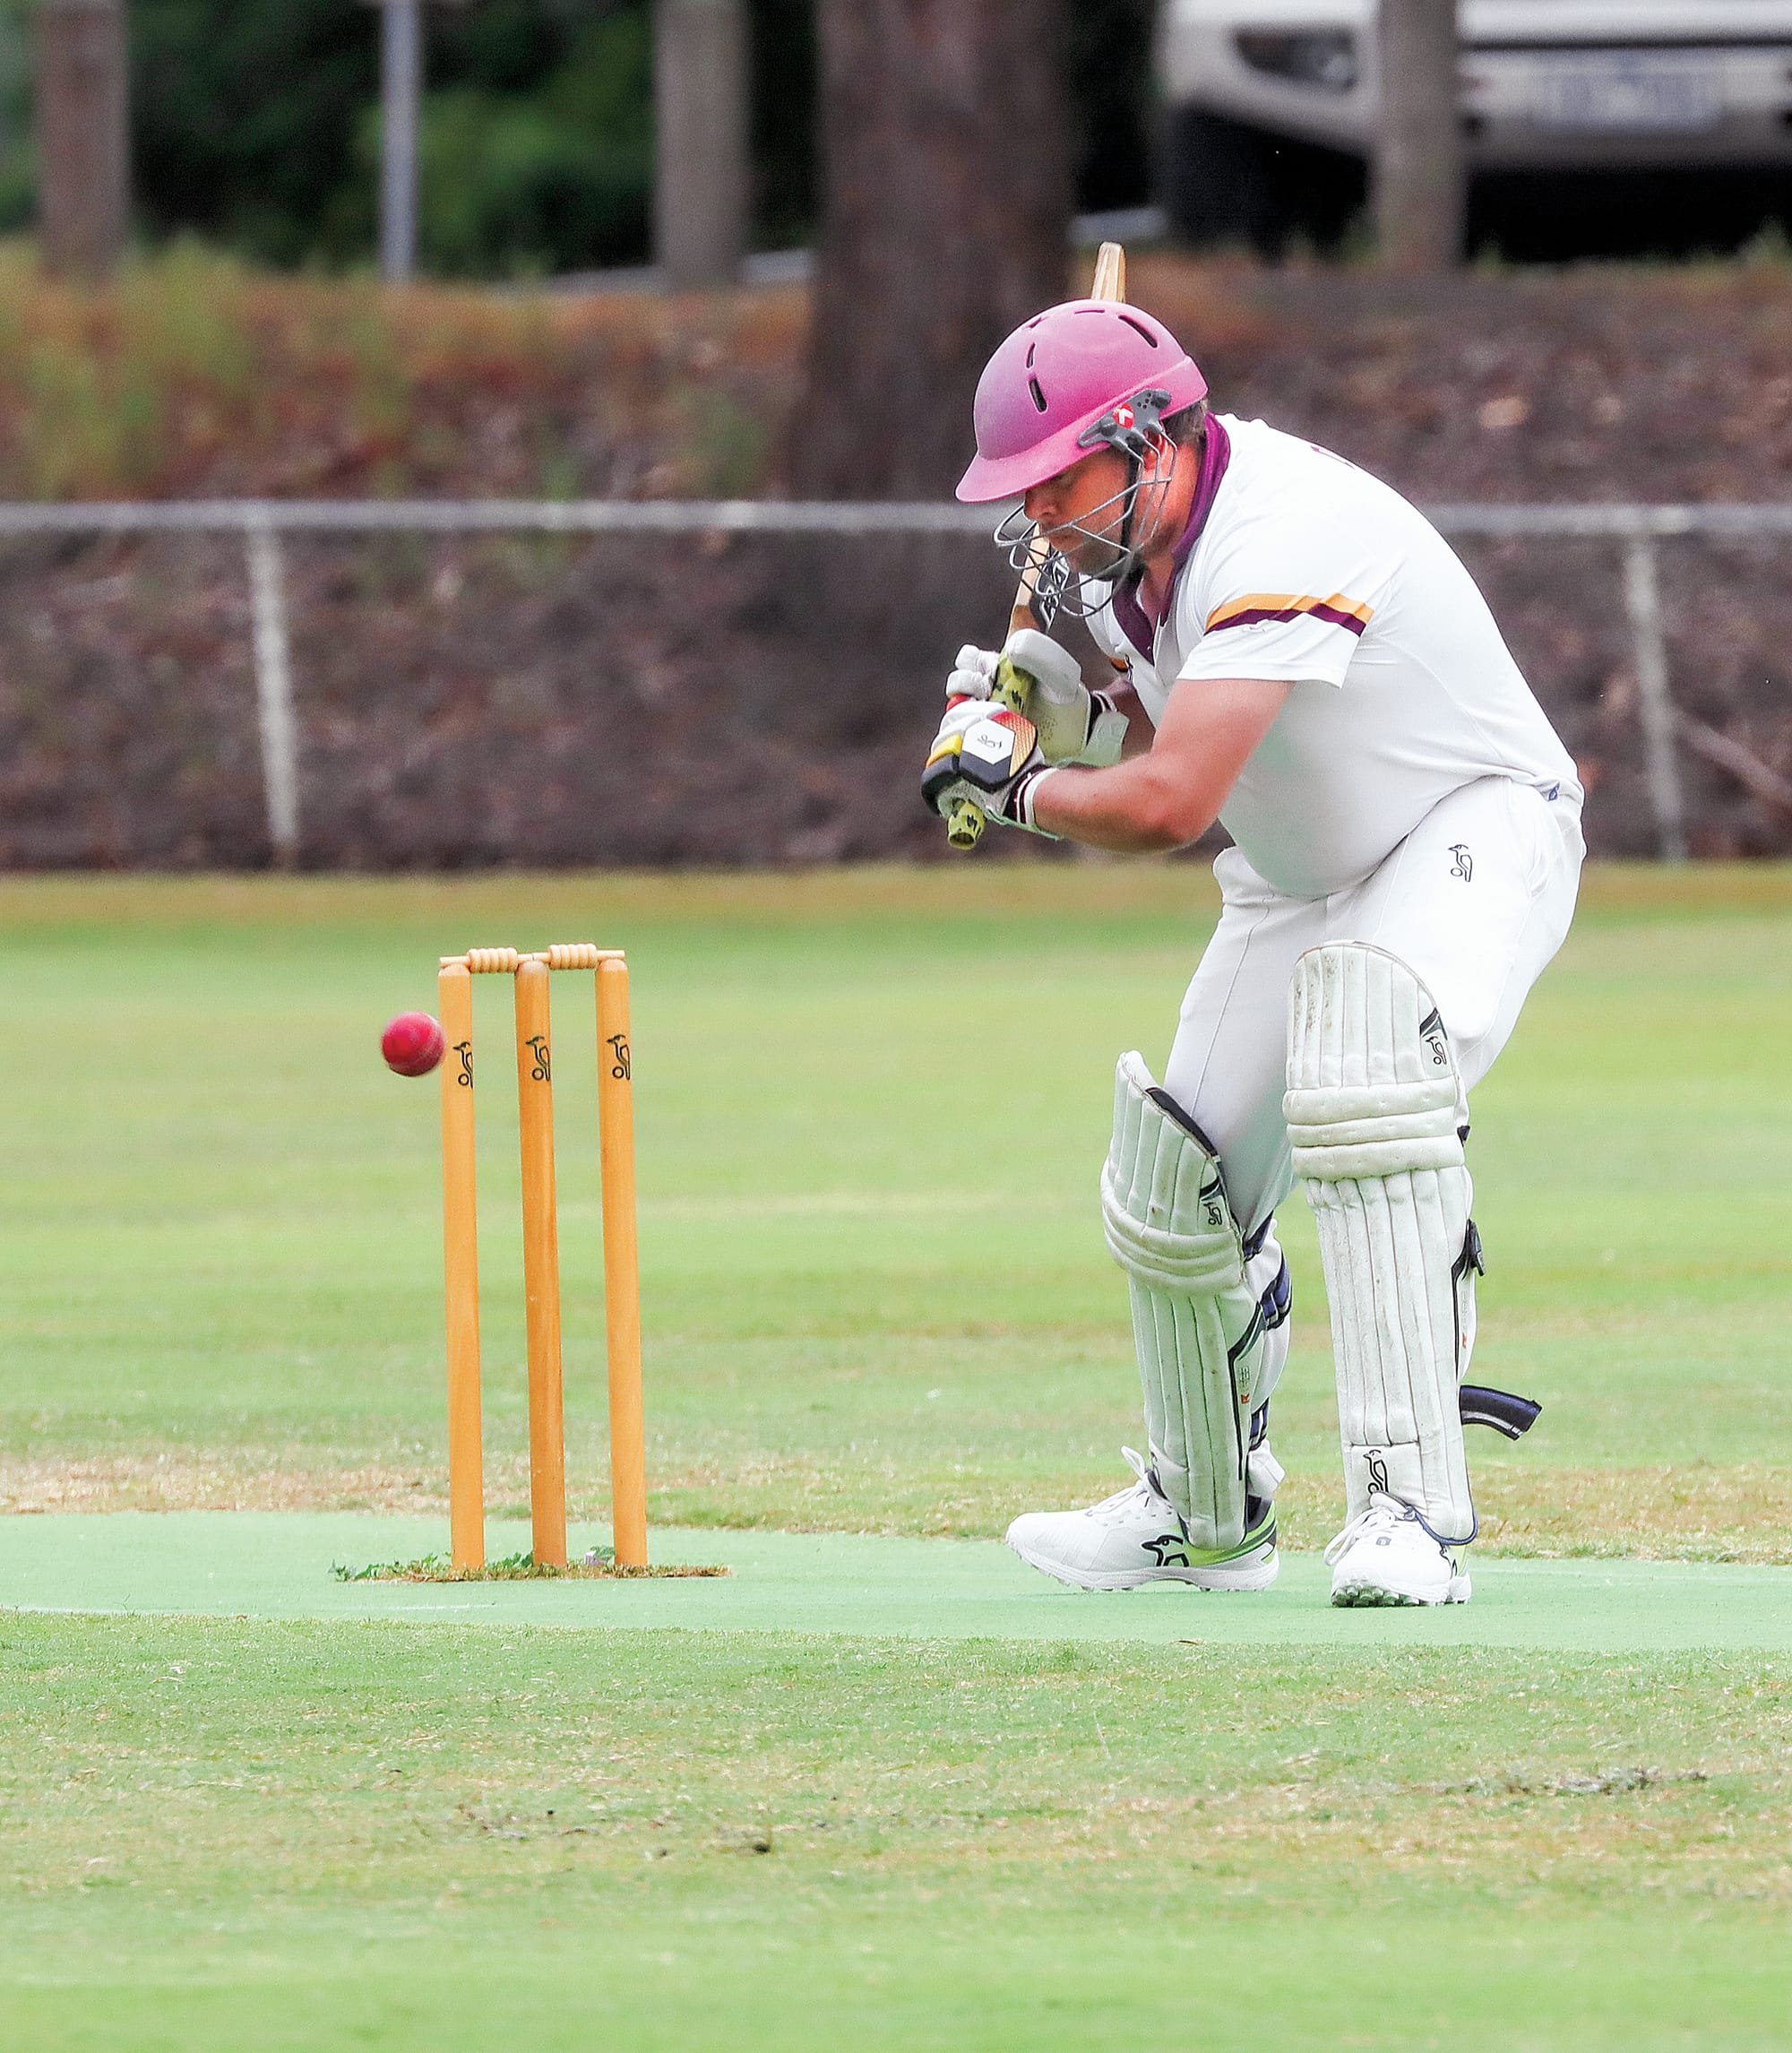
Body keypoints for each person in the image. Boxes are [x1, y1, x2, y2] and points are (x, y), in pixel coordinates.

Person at [923, 298, 1581, 1608]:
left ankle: (1410, 1516)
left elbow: (1168, 805)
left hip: (1472, 826)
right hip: (1299, 874)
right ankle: (1203, 1516)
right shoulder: (1121, 569)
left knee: (1366, 1072)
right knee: (1175, 1175)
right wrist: (1048, 697)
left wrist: (1016, 788)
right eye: (1029, 499)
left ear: (1153, 439)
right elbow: (1142, 736)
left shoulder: (1286, 526)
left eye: (1063, 487)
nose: (1044, 523)